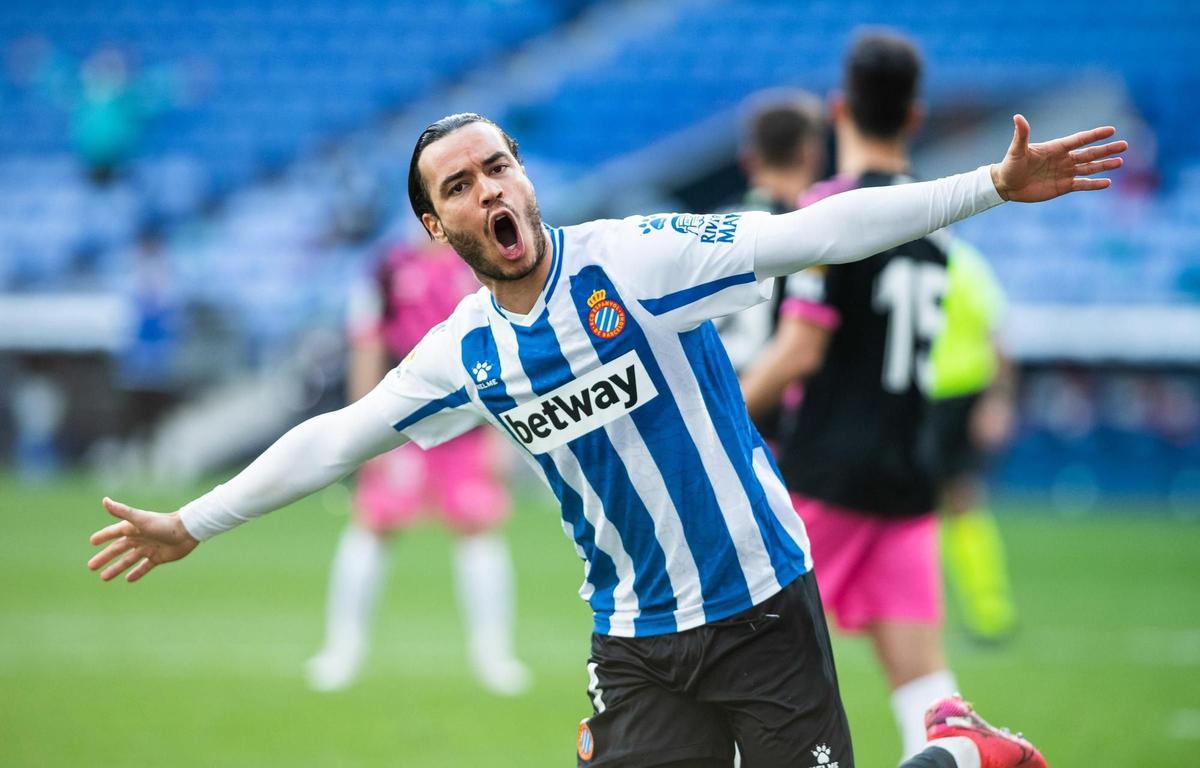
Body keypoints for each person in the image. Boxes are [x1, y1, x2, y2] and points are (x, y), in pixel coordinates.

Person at [88, 109, 1122, 767]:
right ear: (436, 229)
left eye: (498, 166)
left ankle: (951, 753)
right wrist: (192, 519)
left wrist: (988, 185)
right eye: (459, 186)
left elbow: (812, 233)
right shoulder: (465, 354)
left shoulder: (637, 259)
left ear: (525, 178)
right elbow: (336, 438)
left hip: (760, 603)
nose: (488, 189)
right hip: (633, 640)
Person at [736, 32, 1023, 760]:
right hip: (906, 473)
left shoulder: (826, 212)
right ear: (915, 117)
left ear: (838, 109)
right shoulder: (937, 235)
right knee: (923, 683)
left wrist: (719, 420)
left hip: (827, 475)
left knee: (745, 674)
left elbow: (801, 349)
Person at [306, 233, 528, 695]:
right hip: (401, 423)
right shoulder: (385, 268)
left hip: (469, 424)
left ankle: (494, 655)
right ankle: (342, 651)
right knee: (373, 525)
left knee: (477, 527)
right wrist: (361, 432)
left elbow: (505, 346)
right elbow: (367, 346)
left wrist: (503, 432)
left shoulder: (480, 263)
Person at [925, 239, 1020, 643]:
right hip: (917, 399)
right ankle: (921, 610)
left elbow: (996, 335)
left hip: (957, 399)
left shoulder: (962, 262)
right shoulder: (960, 259)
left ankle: (989, 611)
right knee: (912, 507)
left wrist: (996, 400)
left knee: (962, 500)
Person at [714, 90, 826, 374]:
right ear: (811, 155)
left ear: (749, 160)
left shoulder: (710, 229)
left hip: (714, 390)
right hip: (770, 392)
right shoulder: (809, 230)